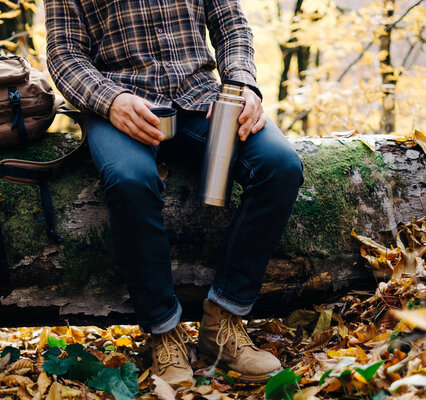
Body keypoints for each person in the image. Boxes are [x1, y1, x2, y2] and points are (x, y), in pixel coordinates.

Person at [45, 0, 304, 386]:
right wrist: (110, 101)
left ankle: (225, 320)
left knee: (280, 166)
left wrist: (242, 83)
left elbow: (231, 24)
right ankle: (164, 331)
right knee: (129, 181)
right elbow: (64, 53)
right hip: (121, 106)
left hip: (202, 97)